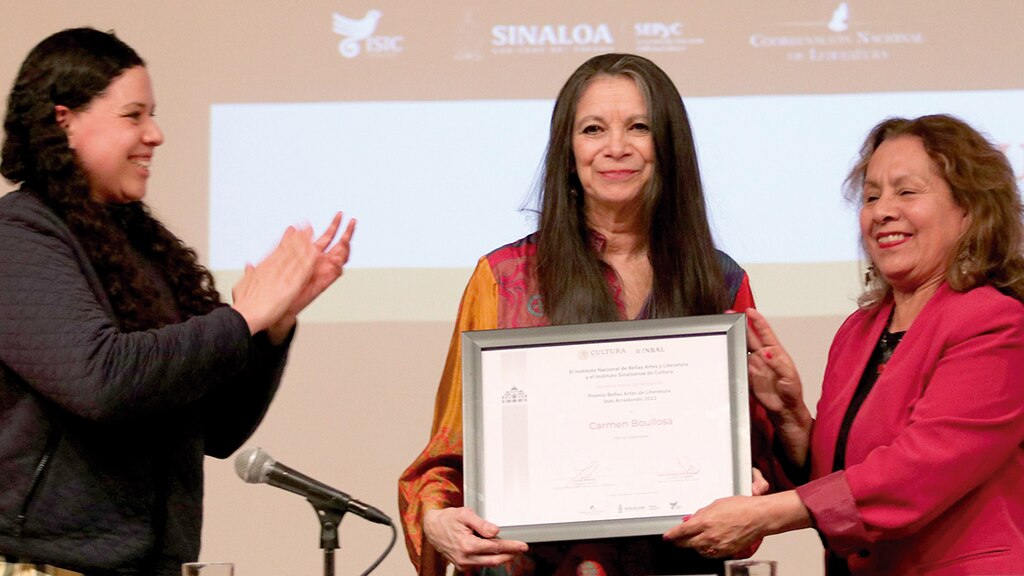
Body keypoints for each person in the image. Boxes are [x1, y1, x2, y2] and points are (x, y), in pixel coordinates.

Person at [398, 53, 782, 576]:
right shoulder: (503, 278)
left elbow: (755, 467)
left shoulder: (720, 282)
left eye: (639, 128)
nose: (616, 147)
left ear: (666, 146)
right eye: (593, 129)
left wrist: (751, 491)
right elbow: (445, 462)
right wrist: (439, 521)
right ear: (568, 150)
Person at [0, 28, 356, 575]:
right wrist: (242, 318)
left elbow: (217, 431)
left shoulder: (142, 249)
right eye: (133, 115)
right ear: (64, 120)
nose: (156, 134)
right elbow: (100, 380)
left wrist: (271, 329)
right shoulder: (17, 238)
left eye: (153, 115)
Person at [666, 114, 1024, 574]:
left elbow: (917, 473)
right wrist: (792, 420)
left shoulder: (997, 323)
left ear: (970, 209)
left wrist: (765, 514)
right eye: (872, 195)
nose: (882, 210)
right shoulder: (859, 332)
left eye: (906, 191)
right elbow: (844, 478)